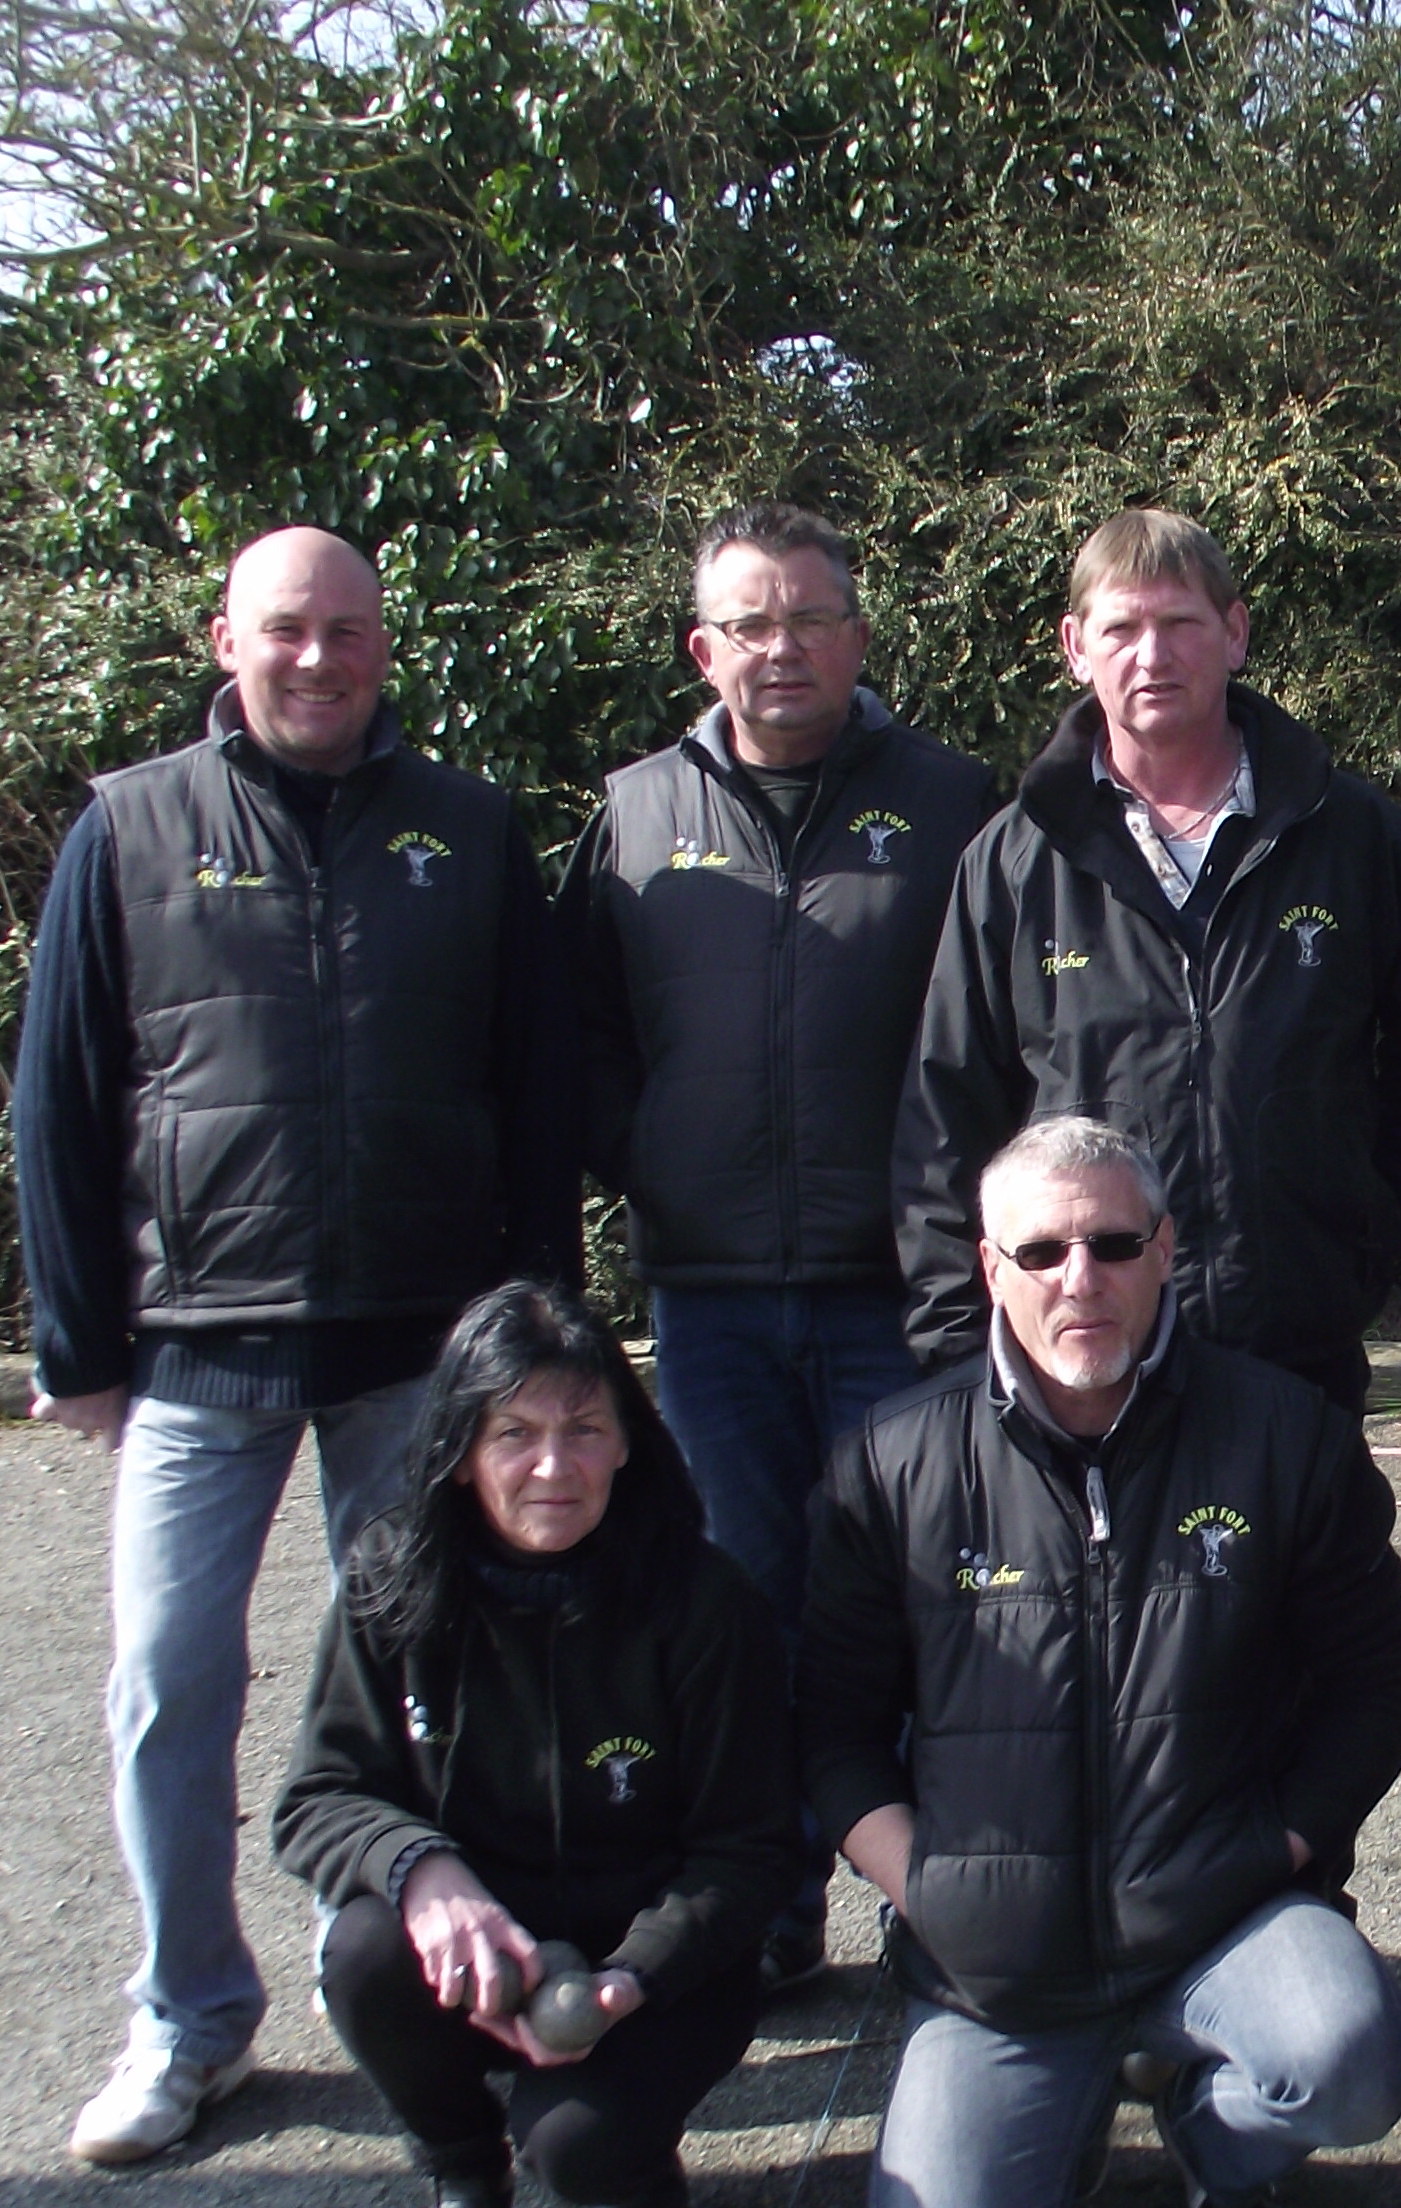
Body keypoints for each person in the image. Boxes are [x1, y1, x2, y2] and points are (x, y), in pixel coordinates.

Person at [14, 524, 577, 2166]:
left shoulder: (467, 832)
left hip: (419, 1346)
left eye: (347, 630)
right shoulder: (128, 826)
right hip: (197, 1342)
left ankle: (407, 1979)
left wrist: (530, 1333)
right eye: (287, 630)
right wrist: (77, 1335)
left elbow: (532, 1096)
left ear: (384, 644)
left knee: (426, 1681)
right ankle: (190, 2011)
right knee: (170, 1677)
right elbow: (61, 1096)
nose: (319, 658)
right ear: (227, 638)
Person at [806, 1115, 1401, 2208]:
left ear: (1165, 1252)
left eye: (1111, 1242)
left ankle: (1216, 2149)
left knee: (1346, 2059)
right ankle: (1067, 2102)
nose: (1077, 1278)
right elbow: (826, 1725)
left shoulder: (1285, 1434)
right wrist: (920, 1883)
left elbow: (1377, 1689)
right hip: (999, 1965)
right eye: (1039, 1252)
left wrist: (1280, 1842)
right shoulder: (892, 1461)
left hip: (1219, 1911)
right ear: (990, 1268)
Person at [563, 500, 1002, 1992]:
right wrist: (654, 1166)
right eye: (751, 621)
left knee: (919, 1594)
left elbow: (1006, 1039)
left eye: (811, 615)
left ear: (858, 637)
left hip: (905, 1293)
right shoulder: (632, 815)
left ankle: (923, 1893)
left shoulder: (950, 805)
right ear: (705, 648)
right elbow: (584, 1036)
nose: (784, 646)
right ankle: (764, 1899)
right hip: (712, 1300)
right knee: (743, 1601)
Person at [273, 1282, 795, 2208]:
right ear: (461, 1449)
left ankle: (629, 2147)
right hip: (478, 1948)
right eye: (513, 1433)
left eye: (583, 1431)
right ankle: (462, 2180)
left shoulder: (703, 1603)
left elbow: (752, 1850)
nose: (551, 1467)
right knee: (365, 1948)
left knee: (584, 2154)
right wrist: (424, 1872)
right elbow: (316, 1799)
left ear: (627, 1446)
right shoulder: (390, 1581)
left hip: (649, 1962)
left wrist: (631, 1980)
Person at [895, 509, 1401, 1411]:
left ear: (1234, 634)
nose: (1151, 655)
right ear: (1076, 647)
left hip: (1296, 1351)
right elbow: (946, 1116)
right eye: (1121, 629)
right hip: (1082, 1357)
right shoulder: (1013, 862)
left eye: (1180, 625)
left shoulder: (1352, 837)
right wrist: (964, 1341)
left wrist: (1365, 1233)